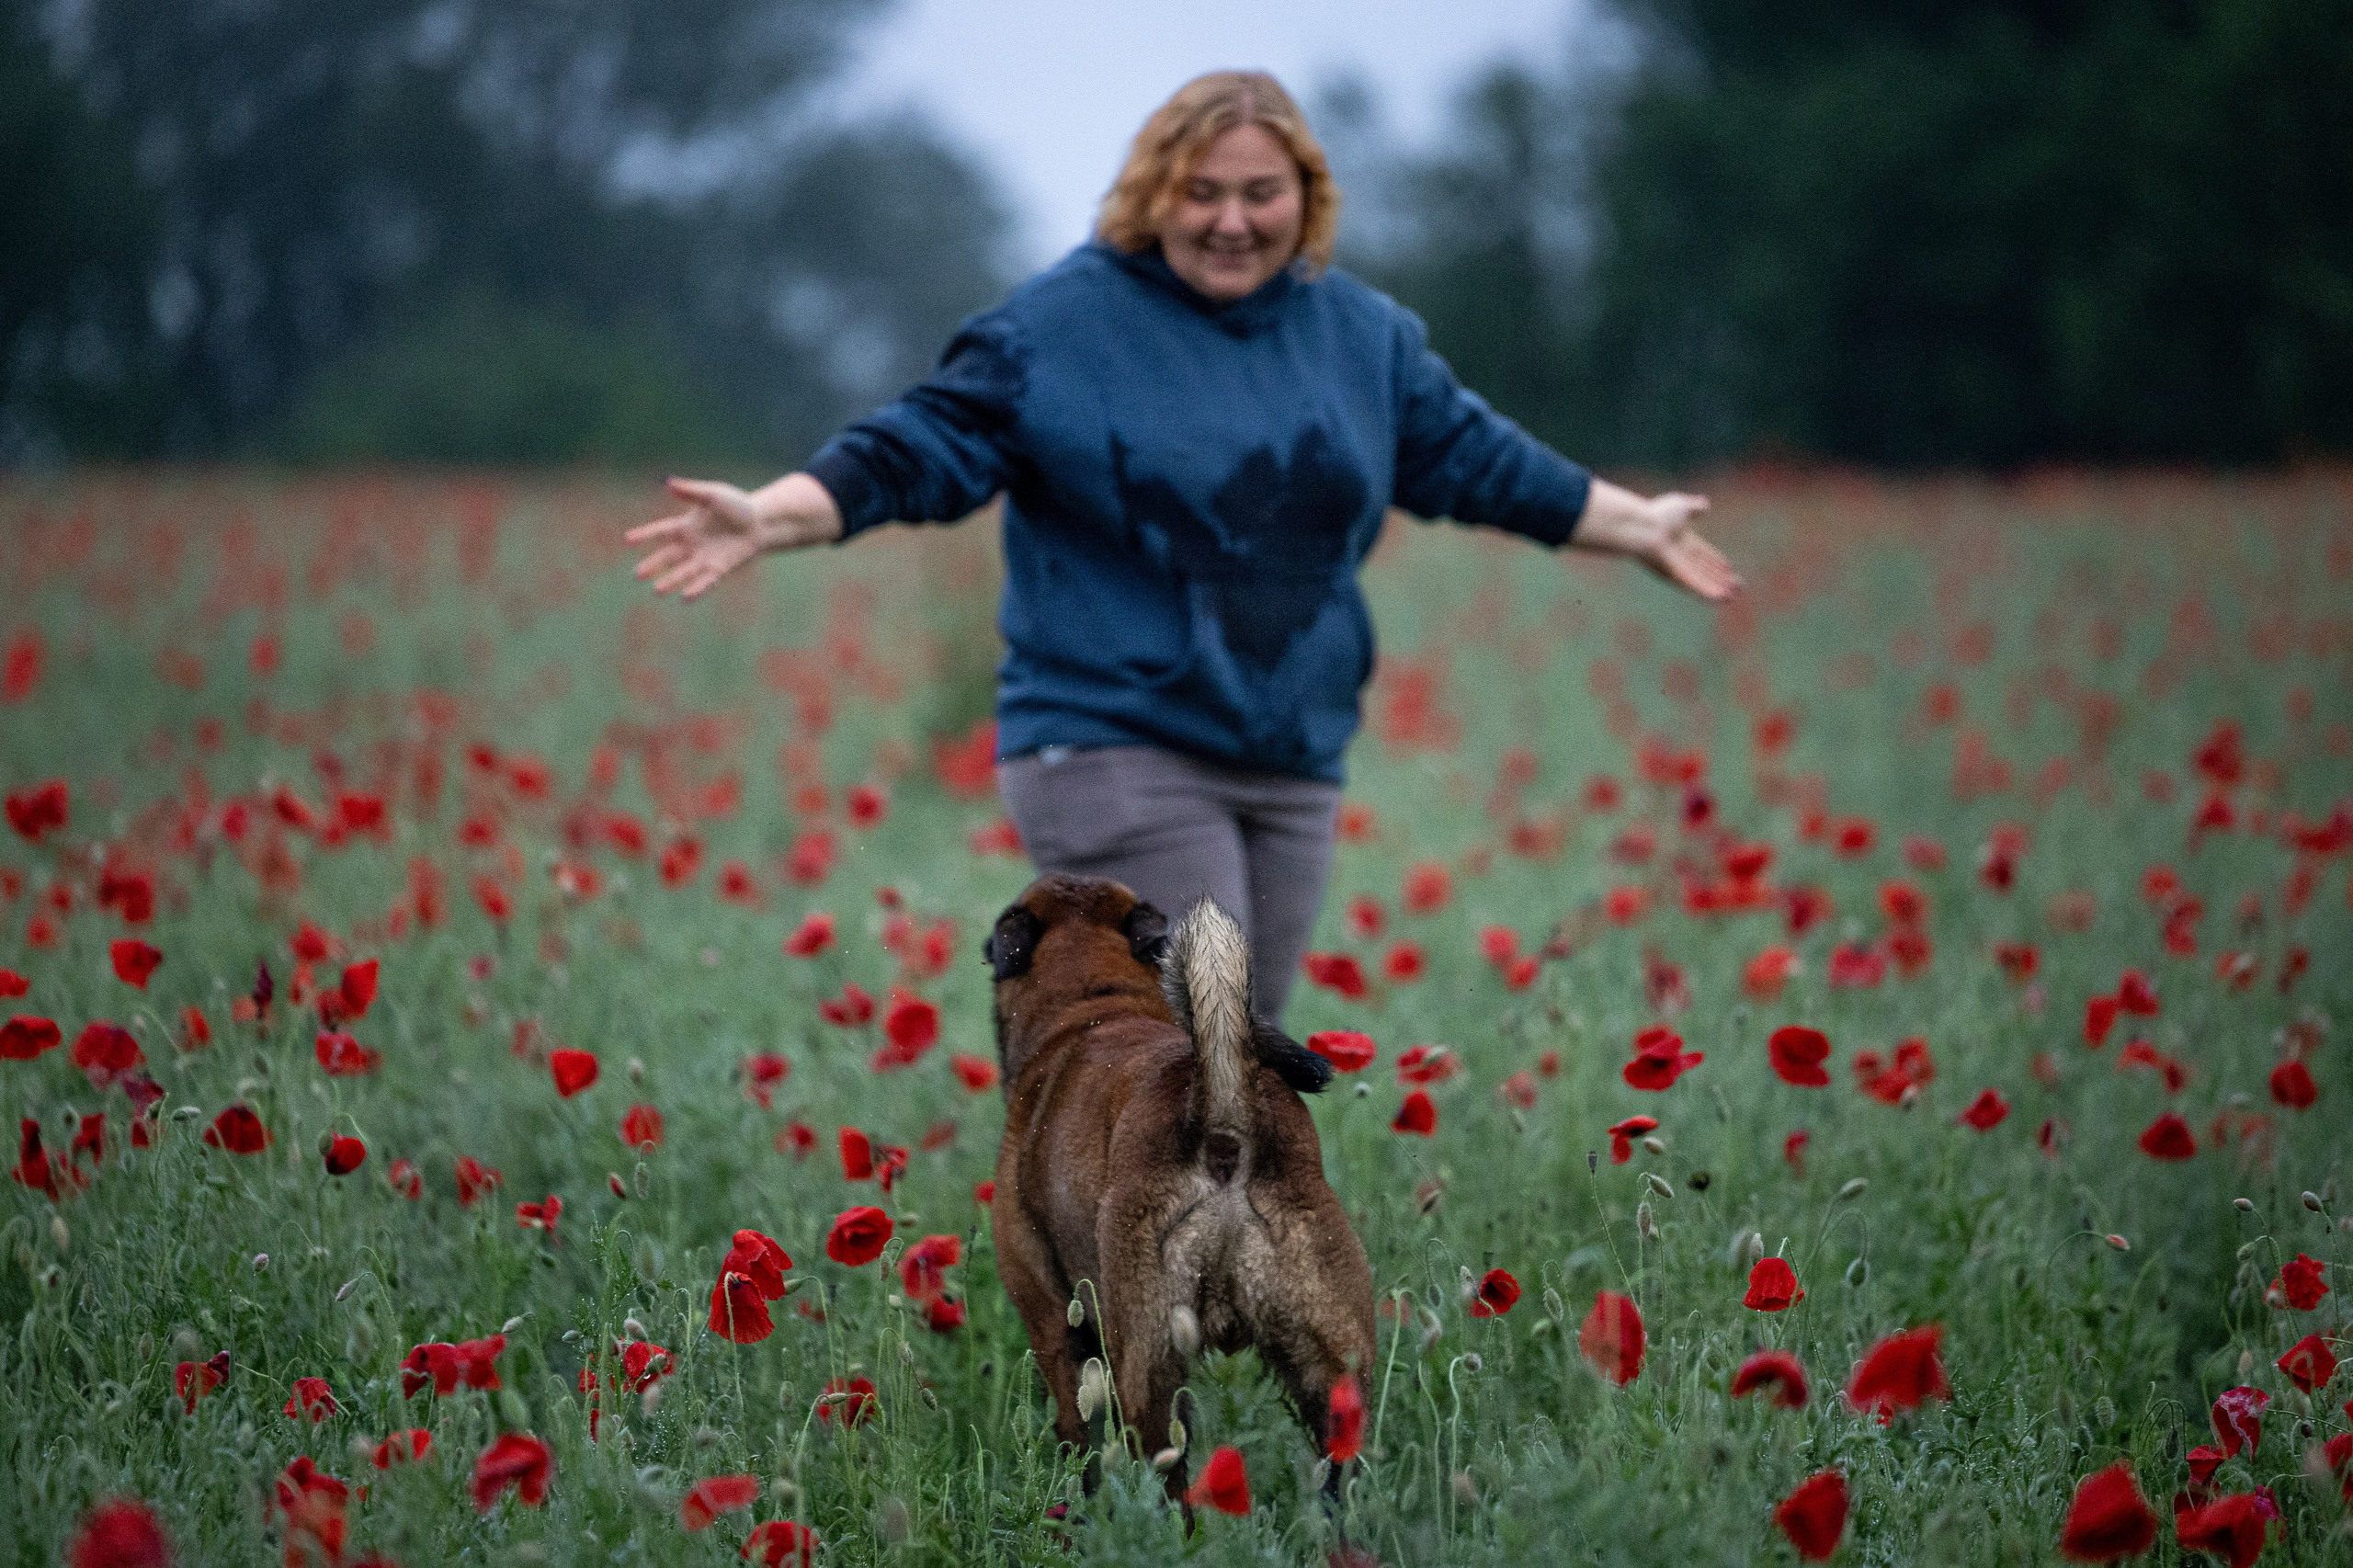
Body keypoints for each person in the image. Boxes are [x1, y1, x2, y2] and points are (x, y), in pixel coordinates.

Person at [628, 70, 1738, 1023]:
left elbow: (1478, 460)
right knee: (1192, 1048)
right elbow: (916, 447)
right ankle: (1121, 1273)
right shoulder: (1062, 329)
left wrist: (1633, 524)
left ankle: (1156, 1266)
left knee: (1230, 1045)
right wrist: (772, 514)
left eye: (1261, 193)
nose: (1231, 220)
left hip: (1290, 749)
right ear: (1148, 194)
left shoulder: (1358, 335)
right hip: (1116, 739)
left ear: (1306, 198)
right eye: (1198, 193)